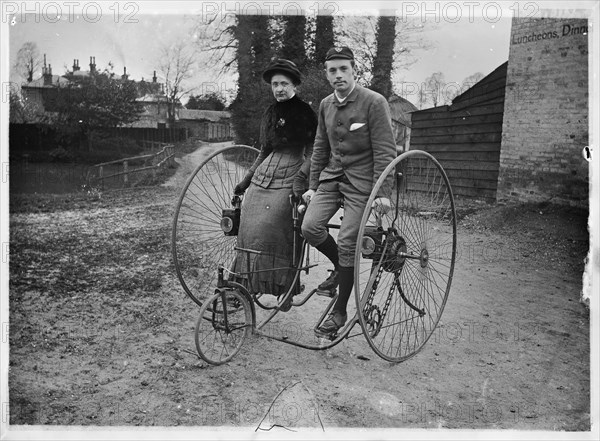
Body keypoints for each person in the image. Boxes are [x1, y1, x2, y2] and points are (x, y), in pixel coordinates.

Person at [301, 47, 396, 337]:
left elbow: (384, 149)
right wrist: (313, 187)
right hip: (332, 179)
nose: (338, 75)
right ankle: (339, 270)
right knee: (310, 227)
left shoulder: (373, 102)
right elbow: (320, 147)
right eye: (332, 70)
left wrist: (382, 191)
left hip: (362, 183)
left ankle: (340, 311)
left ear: (354, 69)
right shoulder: (325, 104)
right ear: (327, 74)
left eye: (344, 69)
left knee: (347, 241)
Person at [233, 59, 317, 306]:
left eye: (284, 84)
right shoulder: (270, 112)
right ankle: (245, 284)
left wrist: (301, 179)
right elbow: (263, 151)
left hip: (291, 176)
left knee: (272, 226)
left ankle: (285, 286)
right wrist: (247, 180)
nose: (279, 89)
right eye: (275, 84)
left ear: (294, 86)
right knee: (247, 225)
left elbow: (314, 151)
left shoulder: (304, 112)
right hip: (263, 178)